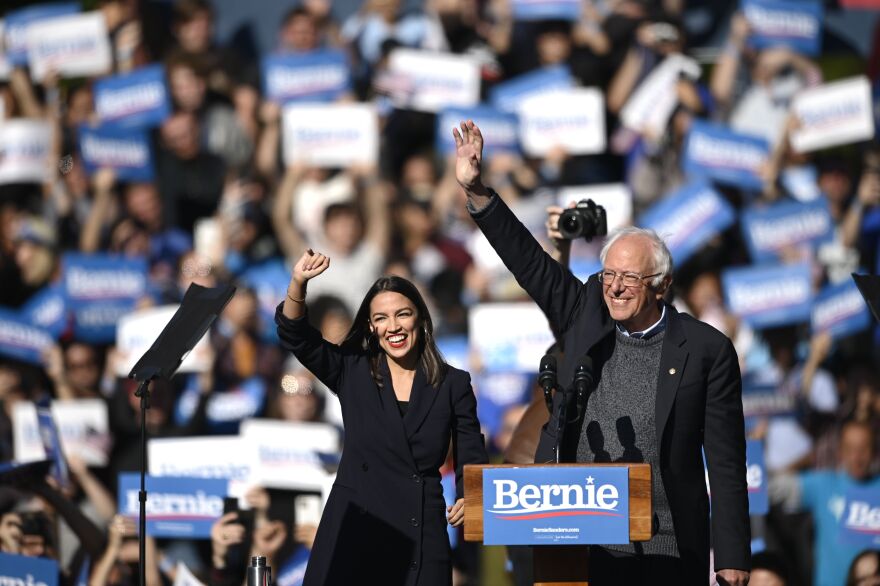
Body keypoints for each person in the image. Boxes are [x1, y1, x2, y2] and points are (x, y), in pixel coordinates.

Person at [452, 120, 750, 586]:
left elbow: (727, 460)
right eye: (609, 274)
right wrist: (478, 192)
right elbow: (528, 262)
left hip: (670, 542)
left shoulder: (707, 350)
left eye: (629, 278)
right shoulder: (587, 309)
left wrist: (732, 554)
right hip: (584, 541)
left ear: (662, 286)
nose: (613, 287)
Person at [275, 249, 488, 585]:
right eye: (382, 319)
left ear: (421, 319)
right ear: (371, 327)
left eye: (402, 314)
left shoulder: (454, 383)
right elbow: (295, 336)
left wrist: (469, 497)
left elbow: (471, 451)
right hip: (357, 526)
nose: (394, 327)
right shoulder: (352, 369)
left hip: (421, 530)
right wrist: (298, 283)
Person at [769, 421, 880, 586]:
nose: (856, 457)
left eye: (863, 449)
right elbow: (772, 488)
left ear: (875, 452)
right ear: (840, 451)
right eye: (850, 449)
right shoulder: (824, 484)